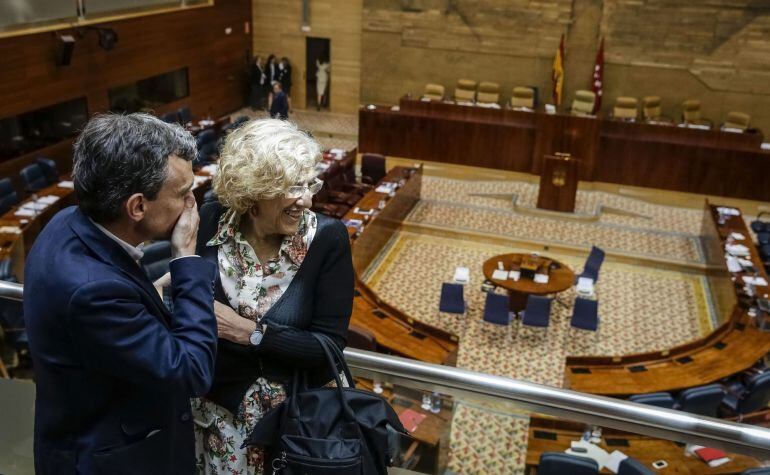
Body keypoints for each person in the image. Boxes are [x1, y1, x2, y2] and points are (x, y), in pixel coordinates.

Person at [23, 113, 219, 475]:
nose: (192, 202)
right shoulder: (92, 292)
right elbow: (191, 371)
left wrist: (147, 297)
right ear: (138, 206)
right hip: (111, 461)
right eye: (182, 194)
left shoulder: (66, 222)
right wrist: (186, 259)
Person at [192, 118, 354, 474]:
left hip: (294, 431)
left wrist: (249, 333)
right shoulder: (210, 219)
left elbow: (327, 347)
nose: (307, 199)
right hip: (219, 423)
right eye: (292, 187)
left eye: (308, 183)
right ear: (254, 191)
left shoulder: (328, 239)